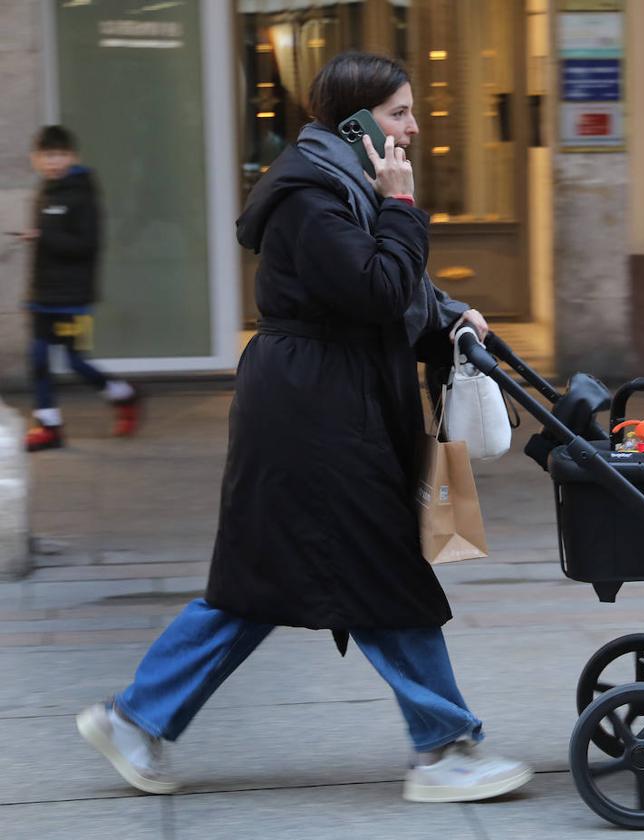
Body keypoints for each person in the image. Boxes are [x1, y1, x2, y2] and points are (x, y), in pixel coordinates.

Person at [75, 52, 532, 803]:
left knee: (260, 583)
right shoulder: (308, 197)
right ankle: (444, 748)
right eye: (398, 114)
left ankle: (137, 719)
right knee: (387, 571)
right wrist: (404, 206)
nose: (413, 128)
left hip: (328, 404)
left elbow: (391, 291)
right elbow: (378, 289)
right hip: (315, 416)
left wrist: (448, 316)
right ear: (354, 124)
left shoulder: (338, 186)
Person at [20, 125, 140, 452]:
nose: (53, 162)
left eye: (59, 155)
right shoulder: (45, 192)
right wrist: (31, 293)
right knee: (39, 361)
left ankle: (124, 395)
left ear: (72, 157)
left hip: (74, 301)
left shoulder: (82, 194)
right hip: (43, 298)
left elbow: (86, 245)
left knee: (74, 362)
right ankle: (49, 427)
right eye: (47, 156)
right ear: (36, 159)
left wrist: (45, 236)